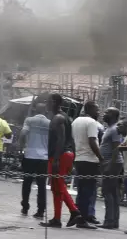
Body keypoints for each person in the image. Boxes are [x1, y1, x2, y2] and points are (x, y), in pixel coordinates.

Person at [44, 93, 88, 229]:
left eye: (48, 101)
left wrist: (56, 159)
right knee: (57, 186)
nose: (46, 103)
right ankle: (58, 218)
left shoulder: (58, 118)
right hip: (65, 154)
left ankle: (74, 211)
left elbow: (61, 139)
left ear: (54, 102)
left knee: (59, 185)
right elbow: (71, 139)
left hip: (60, 155)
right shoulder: (65, 117)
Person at [71, 101, 104, 225]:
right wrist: (100, 157)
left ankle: (78, 215)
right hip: (90, 160)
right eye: (97, 110)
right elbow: (92, 141)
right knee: (88, 191)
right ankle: (83, 219)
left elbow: (73, 142)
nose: (99, 112)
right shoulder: (92, 123)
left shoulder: (75, 121)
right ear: (90, 110)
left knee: (81, 190)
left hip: (79, 159)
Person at [19, 99, 50, 218]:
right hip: (43, 157)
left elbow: (23, 134)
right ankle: (41, 210)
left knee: (27, 182)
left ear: (35, 110)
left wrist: (22, 147)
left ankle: (25, 207)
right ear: (46, 111)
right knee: (41, 184)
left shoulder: (29, 120)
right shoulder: (49, 123)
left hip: (30, 155)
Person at [99, 107, 124, 229]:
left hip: (112, 163)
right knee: (113, 192)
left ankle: (109, 221)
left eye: (107, 112)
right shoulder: (110, 128)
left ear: (114, 116)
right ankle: (114, 221)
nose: (104, 114)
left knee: (107, 191)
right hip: (111, 163)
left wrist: (110, 165)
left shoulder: (114, 129)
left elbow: (116, 148)